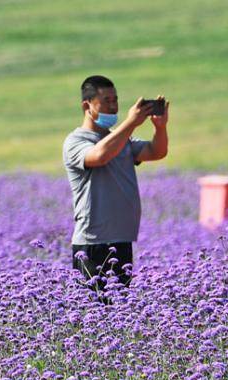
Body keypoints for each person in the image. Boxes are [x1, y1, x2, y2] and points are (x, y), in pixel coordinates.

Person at [63, 75, 169, 293]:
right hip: (93, 244)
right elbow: (99, 156)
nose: (113, 107)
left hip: (122, 239)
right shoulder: (76, 142)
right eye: (106, 101)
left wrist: (160, 127)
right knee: (96, 312)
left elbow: (156, 152)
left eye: (115, 100)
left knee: (118, 309)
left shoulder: (122, 140)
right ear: (87, 105)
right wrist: (130, 123)